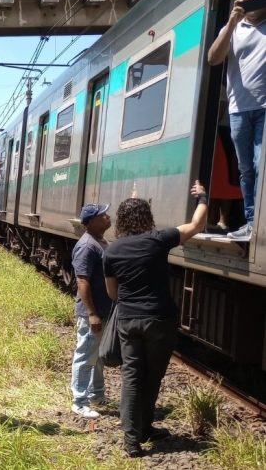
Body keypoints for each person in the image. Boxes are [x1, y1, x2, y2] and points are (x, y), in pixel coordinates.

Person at [104, 181, 207, 457]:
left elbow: (113, 293)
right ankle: (145, 428)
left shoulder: (112, 251)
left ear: (121, 220)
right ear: (147, 218)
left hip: (128, 320)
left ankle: (132, 441)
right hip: (159, 320)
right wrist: (202, 197)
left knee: (131, 377)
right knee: (152, 377)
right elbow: (196, 225)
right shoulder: (159, 240)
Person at [207, 0, 266, 241]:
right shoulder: (233, 28)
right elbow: (213, 58)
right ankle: (251, 222)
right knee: (246, 169)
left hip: (264, 107)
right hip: (239, 110)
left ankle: (260, 222)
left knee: (260, 164)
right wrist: (231, 22)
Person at [69, 204, 114, 420]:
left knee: (97, 356)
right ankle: (79, 402)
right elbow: (82, 281)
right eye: (102, 215)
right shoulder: (87, 246)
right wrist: (92, 313)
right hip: (93, 312)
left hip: (103, 309)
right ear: (91, 221)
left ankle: (96, 395)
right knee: (86, 355)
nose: (108, 217)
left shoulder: (100, 242)